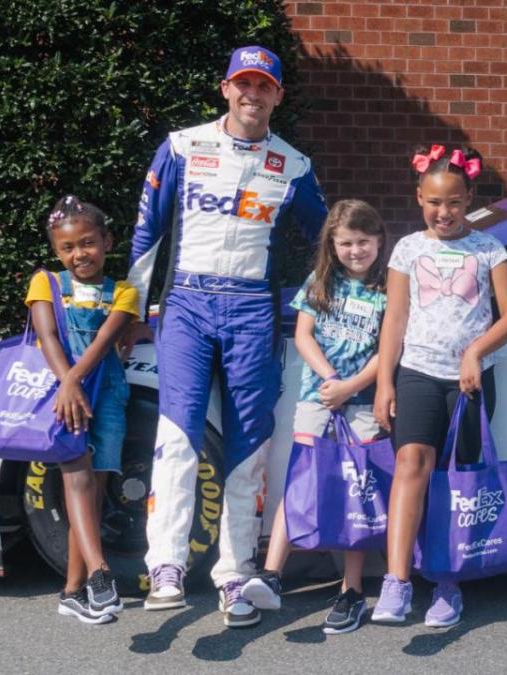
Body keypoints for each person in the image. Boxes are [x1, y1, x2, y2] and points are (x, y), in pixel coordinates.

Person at [128, 45, 328, 628]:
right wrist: (138, 308)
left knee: (248, 446)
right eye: (243, 84)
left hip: (251, 312)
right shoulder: (182, 146)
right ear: (224, 88)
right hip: (187, 304)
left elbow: (326, 240)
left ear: (277, 97)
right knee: (178, 436)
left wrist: (332, 302)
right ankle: (164, 565)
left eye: (263, 86)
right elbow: (148, 229)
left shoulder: (293, 164)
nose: (252, 95)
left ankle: (234, 574)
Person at [371, 145, 507, 628]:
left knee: (457, 483)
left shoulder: (488, 249)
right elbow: (394, 319)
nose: (445, 212)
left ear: (469, 200)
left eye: (454, 202)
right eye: (435, 202)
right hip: (416, 371)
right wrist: (383, 383)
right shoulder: (407, 249)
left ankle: (447, 585)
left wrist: (474, 352)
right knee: (410, 464)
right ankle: (395, 584)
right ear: (420, 199)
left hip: (469, 382)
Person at [240, 199, 389, 634]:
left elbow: (388, 351)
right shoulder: (320, 281)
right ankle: (271, 573)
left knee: (355, 494)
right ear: (332, 244)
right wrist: (329, 379)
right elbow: (303, 335)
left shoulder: (389, 288)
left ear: (379, 240)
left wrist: (351, 386)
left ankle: (352, 589)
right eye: (346, 243)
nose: (356, 251)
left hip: (360, 404)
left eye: (364, 241)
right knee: (301, 481)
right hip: (317, 398)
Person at [27, 195, 140, 624]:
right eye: (68, 248)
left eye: (88, 243)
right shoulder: (46, 284)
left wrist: (76, 381)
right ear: (57, 252)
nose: (79, 254)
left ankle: (73, 592)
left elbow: (100, 345)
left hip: (106, 395)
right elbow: (48, 335)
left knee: (92, 497)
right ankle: (100, 573)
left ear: (107, 241)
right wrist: (67, 384)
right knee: (76, 481)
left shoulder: (124, 292)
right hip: (63, 396)